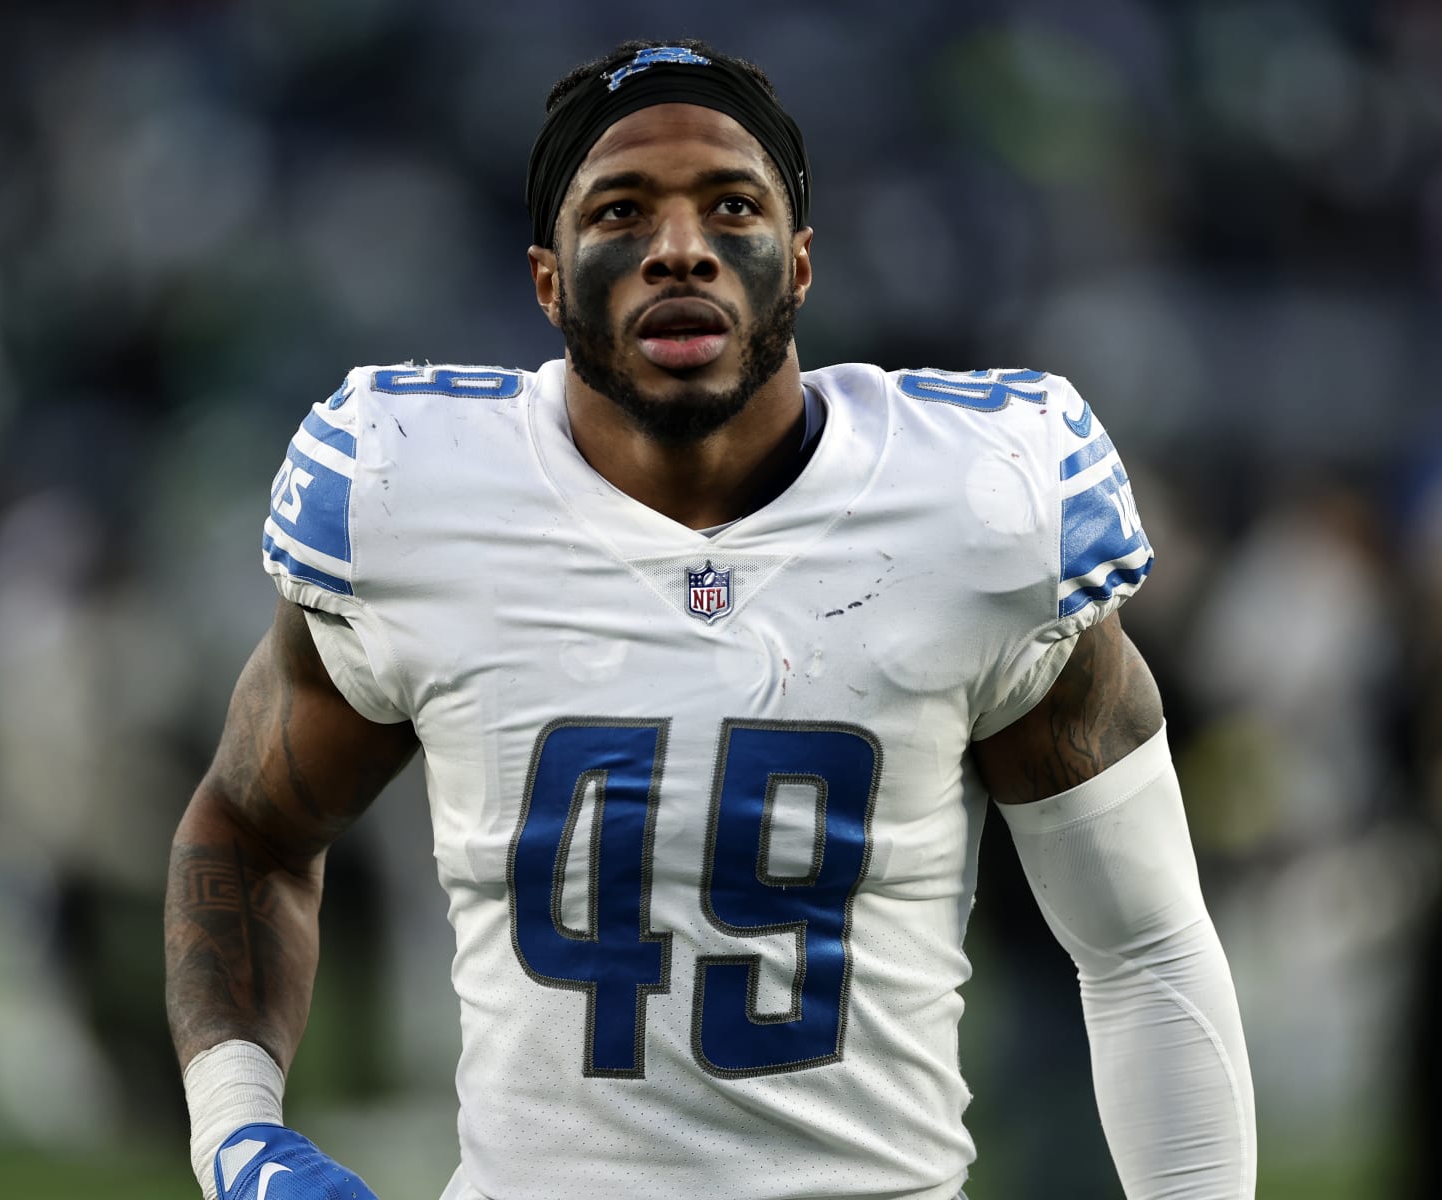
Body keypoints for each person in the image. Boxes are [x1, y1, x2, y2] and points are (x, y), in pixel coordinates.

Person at [164, 38, 1256, 1200]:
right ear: (547, 280)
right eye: (621, 210)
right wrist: (236, 1132)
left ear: (799, 263)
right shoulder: (408, 492)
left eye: (731, 204)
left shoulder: (983, 505)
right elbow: (248, 828)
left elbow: (1142, 946)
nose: (679, 247)